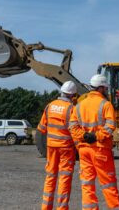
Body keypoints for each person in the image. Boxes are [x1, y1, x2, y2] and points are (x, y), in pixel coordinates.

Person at [69, 74, 119, 210]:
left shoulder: (79, 105)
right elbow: (110, 126)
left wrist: (85, 136)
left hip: (84, 150)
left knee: (87, 184)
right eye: (105, 88)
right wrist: (96, 136)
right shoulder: (106, 104)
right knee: (108, 184)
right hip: (100, 149)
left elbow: (72, 127)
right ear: (101, 88)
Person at [37, 81, 77, 210]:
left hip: (51, 147)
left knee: (50, 177)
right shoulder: (71, 108)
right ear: (72, 95)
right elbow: (75, 131)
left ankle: (46, 207)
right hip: (66, 148)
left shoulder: (50, 106)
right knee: (64, 178)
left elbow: (42, 128)